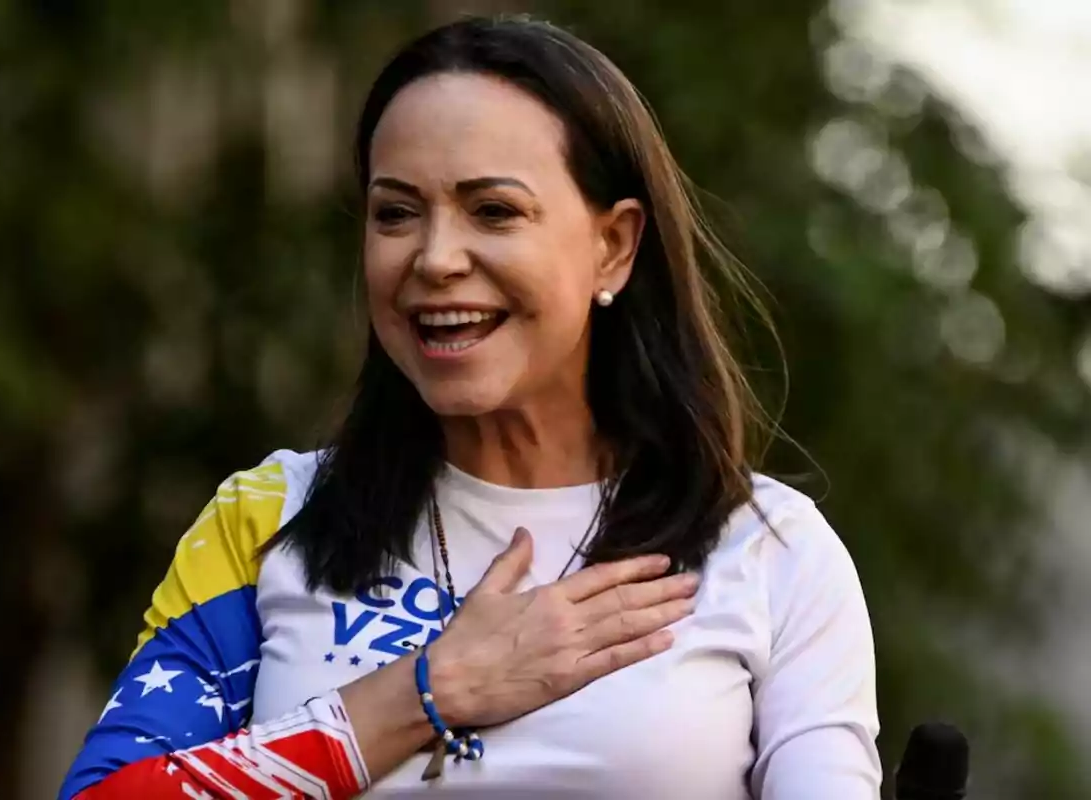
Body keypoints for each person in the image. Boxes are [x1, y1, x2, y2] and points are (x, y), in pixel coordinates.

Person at [60, 14, 879, 800]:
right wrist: (428, 692)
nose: (435, 258)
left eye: (494, 211)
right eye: (396, 214)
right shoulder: (270, 520)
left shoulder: (772, 553)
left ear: (615, 246)